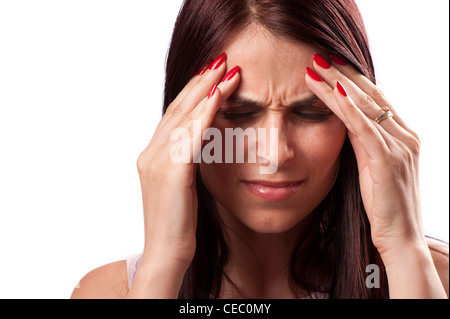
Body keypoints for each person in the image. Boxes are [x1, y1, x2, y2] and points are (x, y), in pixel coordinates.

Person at [71, 0, 449, 299]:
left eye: (311, 113)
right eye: (238, 113)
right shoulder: (112, 292)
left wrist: (402, 247)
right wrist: (164, 264)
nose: (274, 153)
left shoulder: (431, 278)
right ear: (181, 120)